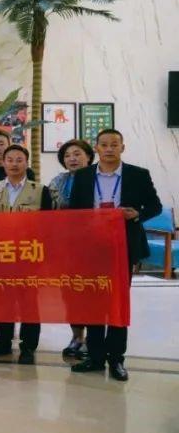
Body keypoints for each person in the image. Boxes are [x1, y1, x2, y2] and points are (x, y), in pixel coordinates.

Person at [69, 129, 161, 381]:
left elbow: (155, 206)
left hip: (123, 247)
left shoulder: (138, 175)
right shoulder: (84, 176)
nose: (109, 149)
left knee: (118, 303)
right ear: (96, 148)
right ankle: (95, 357)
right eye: (104, 144)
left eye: (114, 144)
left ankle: (117, 359)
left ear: (122, 147)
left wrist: (137, 214)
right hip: (91, 249)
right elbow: (74, 211)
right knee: (94, 303)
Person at [0, 144, 53, 364]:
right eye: (10, 160)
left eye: (19, 160)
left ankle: (28, 347)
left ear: (26, 163)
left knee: (28, 302)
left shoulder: (40, 190)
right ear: (3, 163)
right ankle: (2, 342)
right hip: (0, 254)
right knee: (3, 301)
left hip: (28, 255)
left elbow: (48, 225)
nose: (14, 164)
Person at [48, 138, 95, 357]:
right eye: (67, 156)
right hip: (66, 246)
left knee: (92, 292)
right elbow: (48, 212)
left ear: (89, 157)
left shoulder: (98, 179)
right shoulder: (58, 181)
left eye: (77, 154)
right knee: (70, 292)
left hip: (94, 245)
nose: (72, 159)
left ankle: (94, 340)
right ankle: (77, 337)